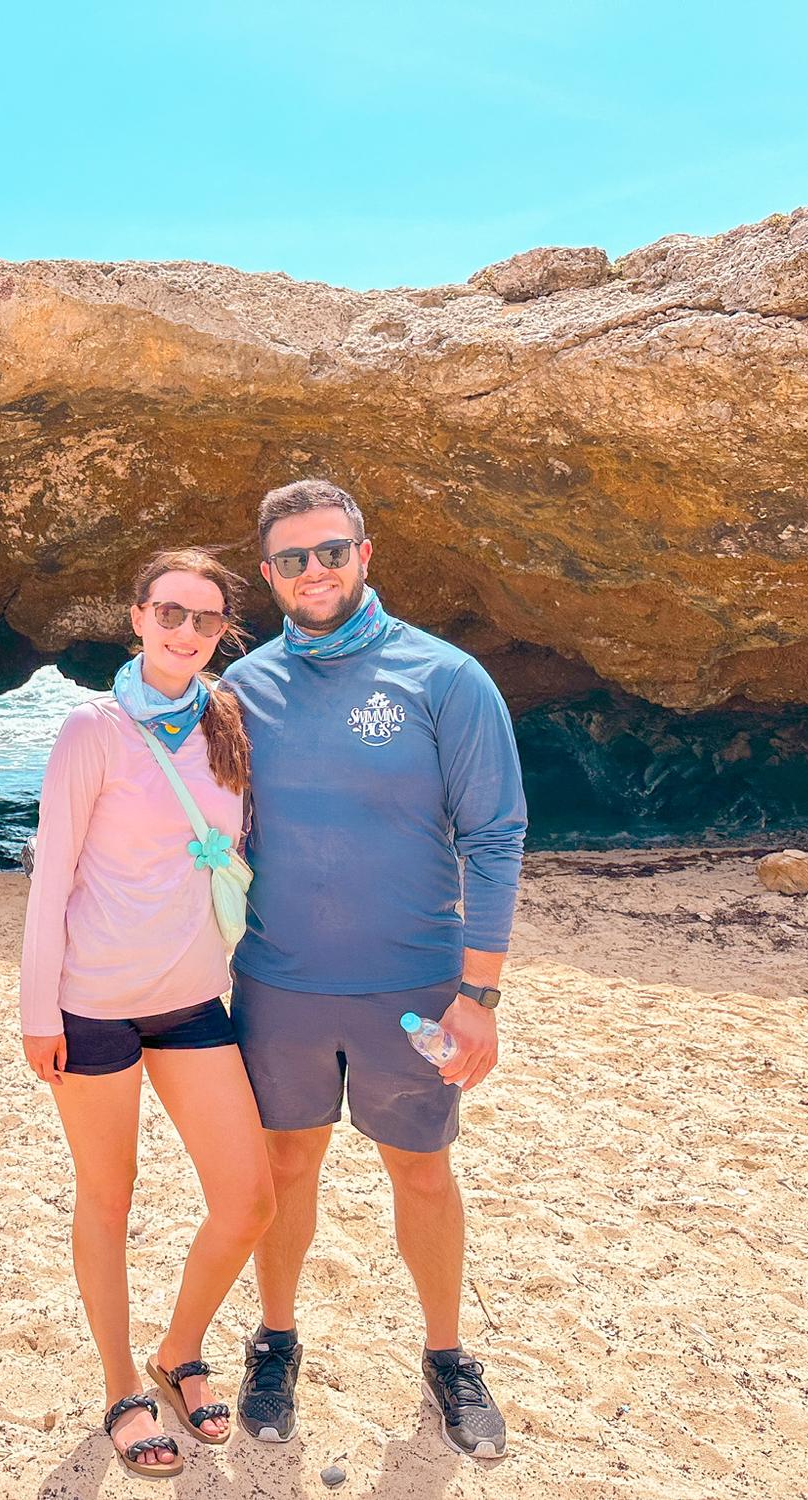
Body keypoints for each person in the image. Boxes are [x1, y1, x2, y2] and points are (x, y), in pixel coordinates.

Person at [222, 478, 527, 1461]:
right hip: (279, 987)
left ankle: (447, 1355)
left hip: (417, 993)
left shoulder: (448, 679)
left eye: (334, 551)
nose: (317, 572)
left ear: (367, 553)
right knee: (282, 1168)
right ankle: (275, 1342)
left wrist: (478, 994)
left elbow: (496, 835)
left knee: (423, 1172)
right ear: (270, 575)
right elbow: (199, 834)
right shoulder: (245, 691)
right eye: (294, 559)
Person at [20, 548, 276, 1480]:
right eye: (170, 613)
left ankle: (180, 1349)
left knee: (248, 1198)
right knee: (110, 1195)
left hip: (191, 996)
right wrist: (36, 1008)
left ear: (221, 635)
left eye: (206, 621)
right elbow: (52, 875)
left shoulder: (226, 721)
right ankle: (124, 1385)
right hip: (90, 1004)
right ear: (136, 617)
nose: (186, 632)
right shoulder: (91, 728)